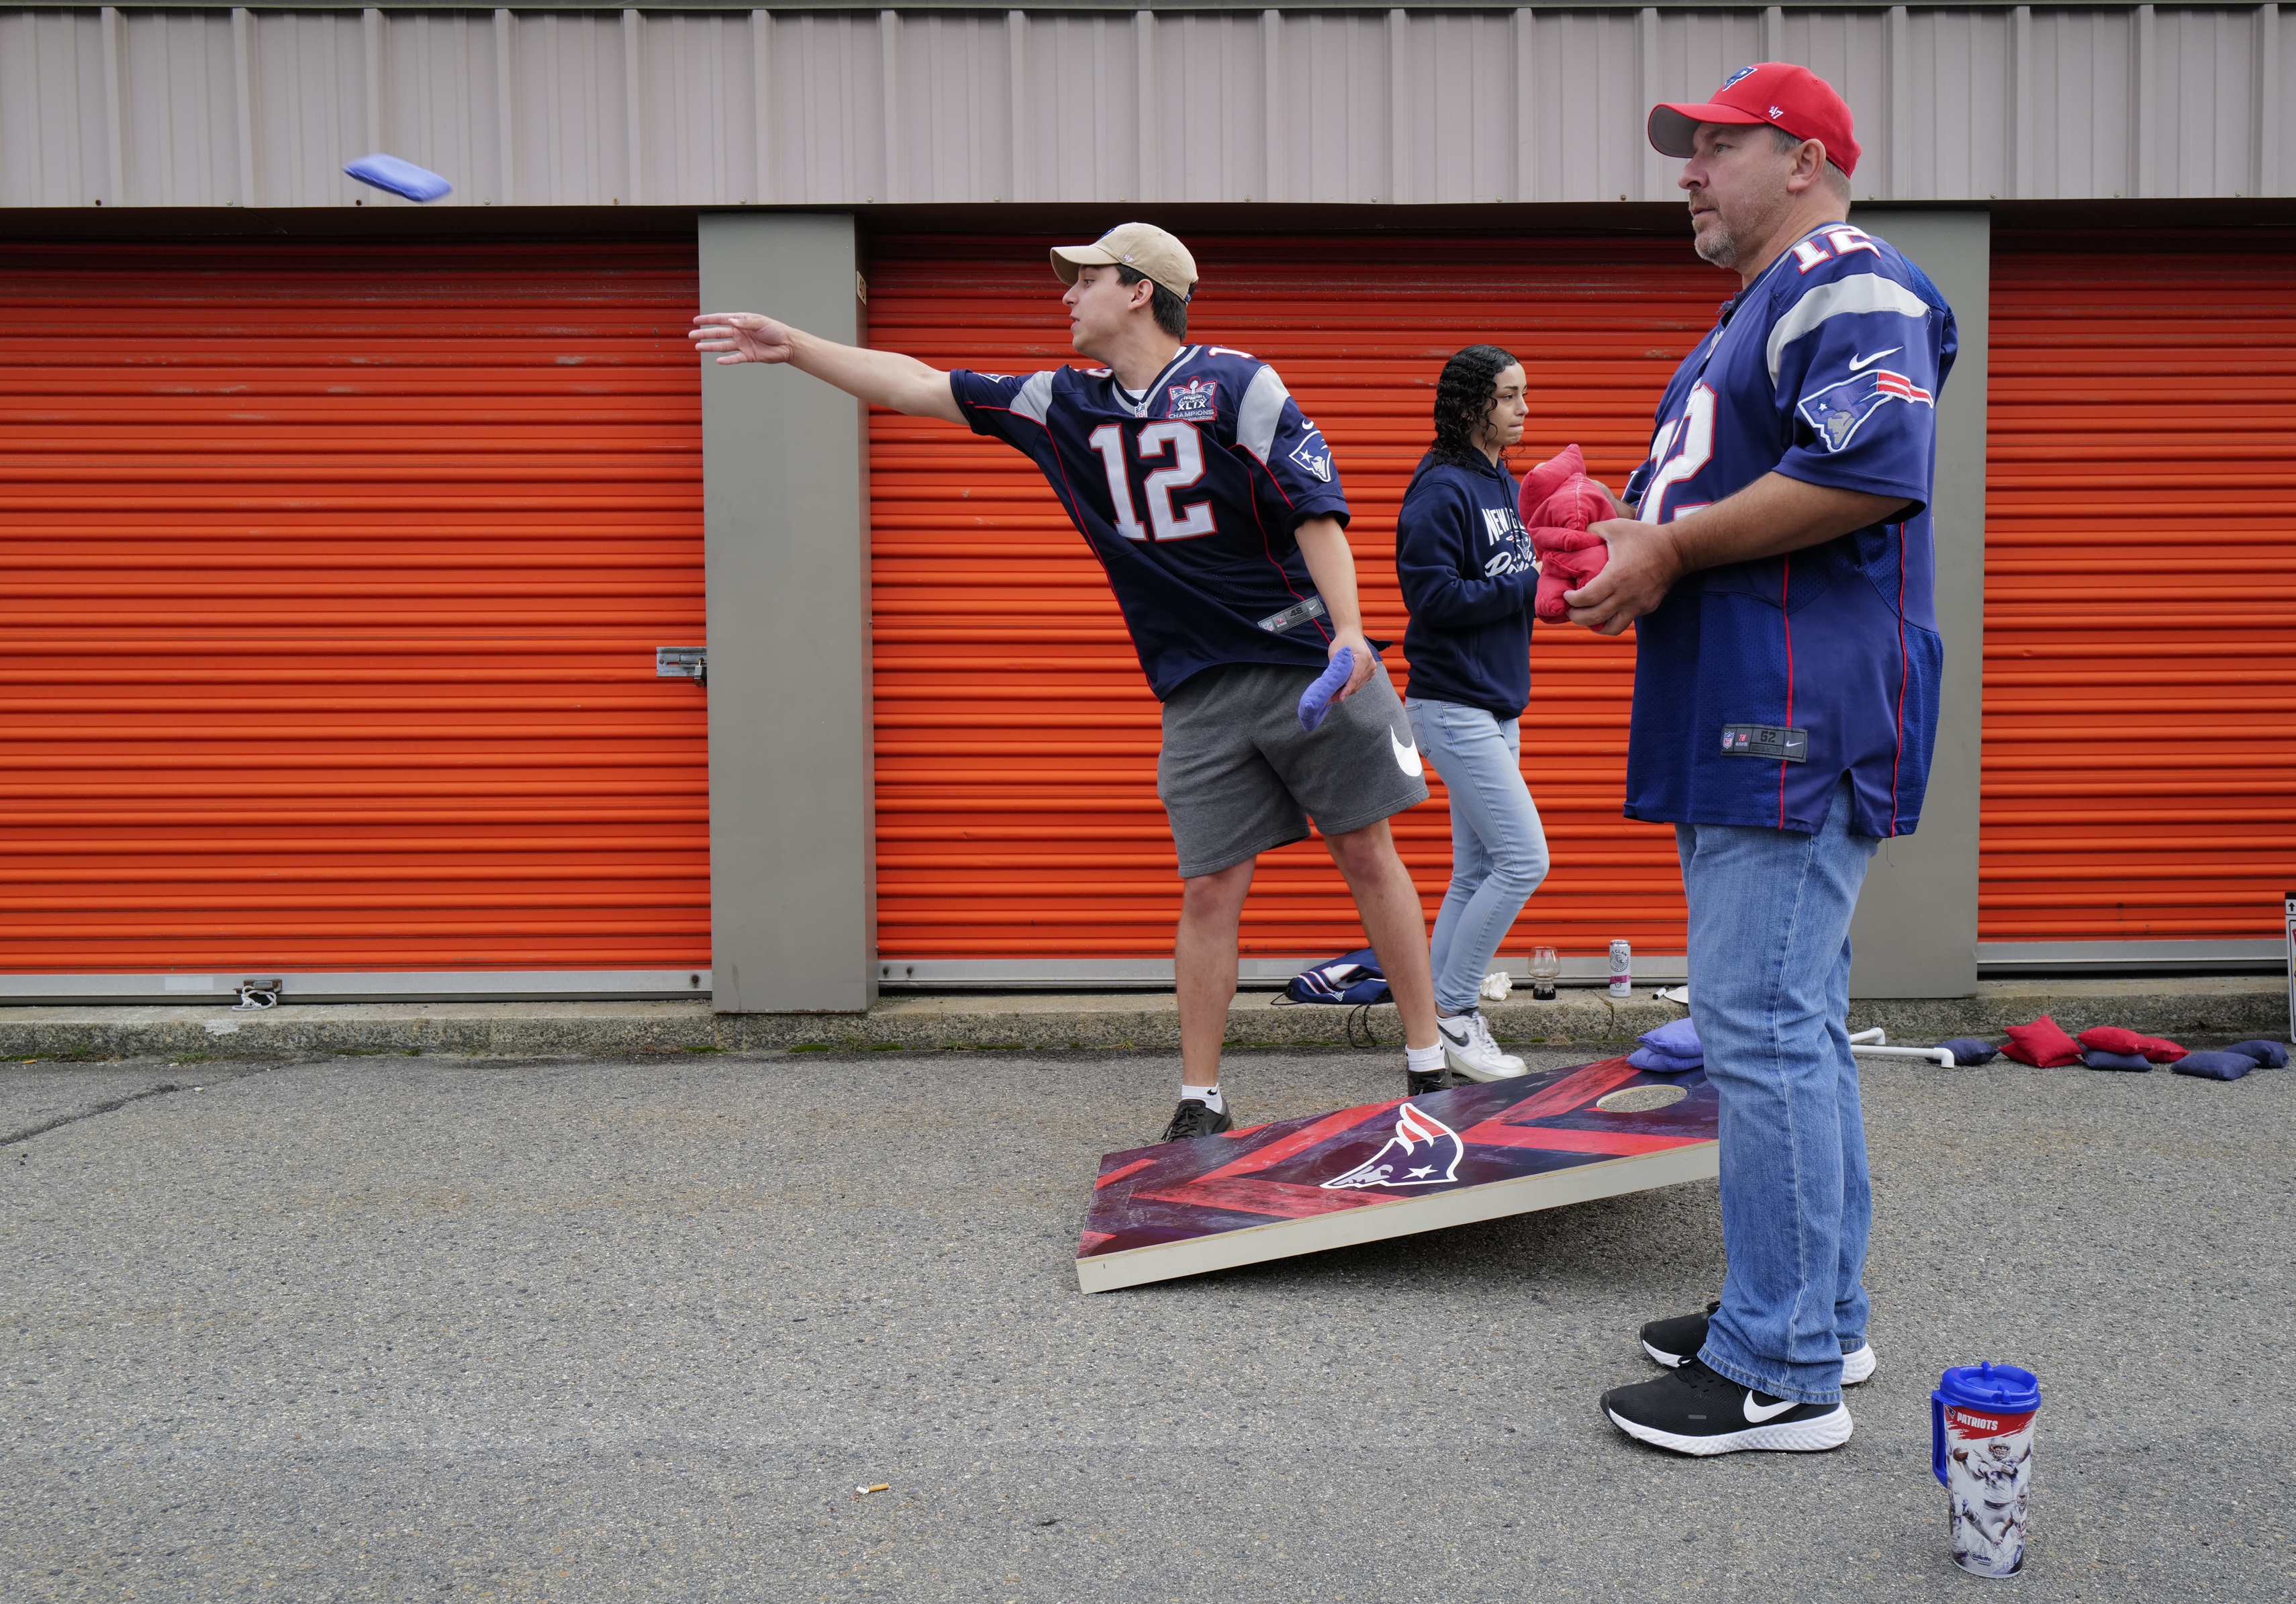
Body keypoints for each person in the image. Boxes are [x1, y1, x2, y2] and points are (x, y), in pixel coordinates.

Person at [689, 224, 1447, 1141]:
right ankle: (1200, 1099)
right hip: (1198, 690)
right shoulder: (1062, 402)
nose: (1066, 295)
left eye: (1084, 278)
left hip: (1311, 664)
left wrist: (1356, 635)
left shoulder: (1242, 381)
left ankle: (1428, 1062)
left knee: (1367, 853)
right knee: (1209, 887)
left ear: (1138, 290)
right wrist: (798, 347)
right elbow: (921, 384)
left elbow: (1315, 509)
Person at [1568, 63, 1958, 1456]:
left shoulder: (1847, 277)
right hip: (1750, 701)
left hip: (1791, 711)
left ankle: (1781, 1369)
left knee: (1762, 1027)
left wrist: (1667, 544)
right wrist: (1629, 535)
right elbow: (1734, 499)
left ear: (1801, 159)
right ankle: (1815, 1311)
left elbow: (1872, 463)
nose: (1688, 169)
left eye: (1716, 146)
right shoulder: (1762, 309)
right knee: (1785, 1023)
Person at [1394, 345, 1544, 1086]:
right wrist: (1528, 585)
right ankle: (1454, 1010)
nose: (1524, 408)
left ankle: (1433, 1022)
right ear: (1471, 405)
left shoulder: (1498, 480)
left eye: (1523, 394)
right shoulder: (1440, 490)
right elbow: (1434, 599)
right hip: (1452, 705)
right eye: (1510, 396)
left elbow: (1504, 578)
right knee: (1526, 859)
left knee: (1475, 870)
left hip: (1494, 701)